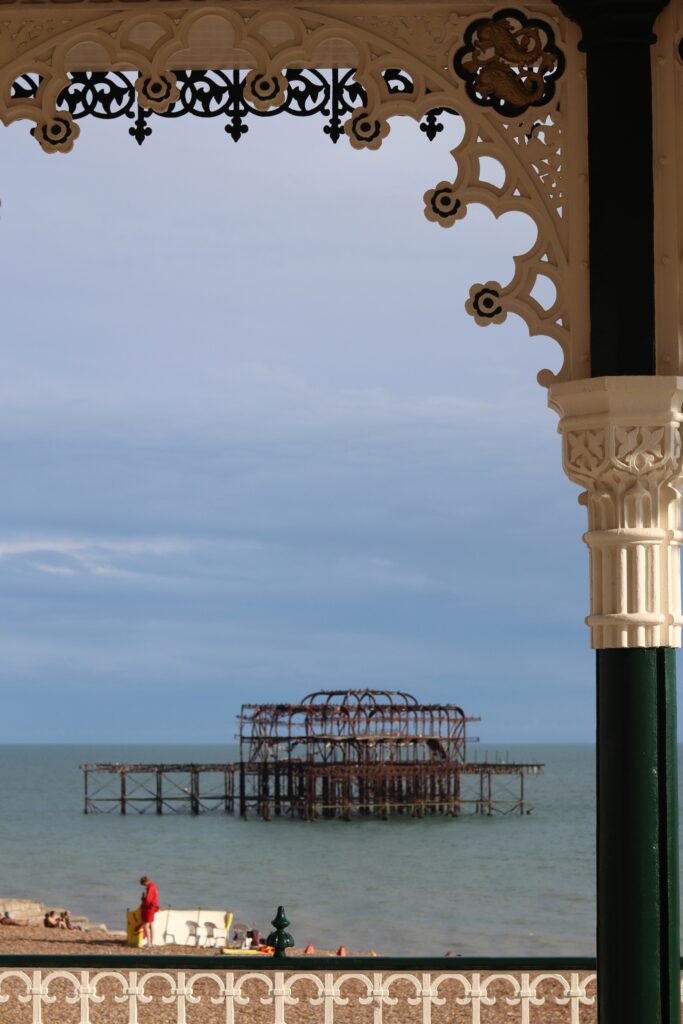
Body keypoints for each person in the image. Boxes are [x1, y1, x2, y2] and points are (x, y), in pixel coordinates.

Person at [139, 875, 159, 947]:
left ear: (145, 882)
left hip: (149, 908)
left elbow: (148, 900)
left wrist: (143, 901)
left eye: (143, 884)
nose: (144, 886)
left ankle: (149, 943)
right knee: (151, 925)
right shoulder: (154, 886)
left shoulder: (150, 887)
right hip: (153, 908)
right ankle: (151, 942)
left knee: (146, 925)